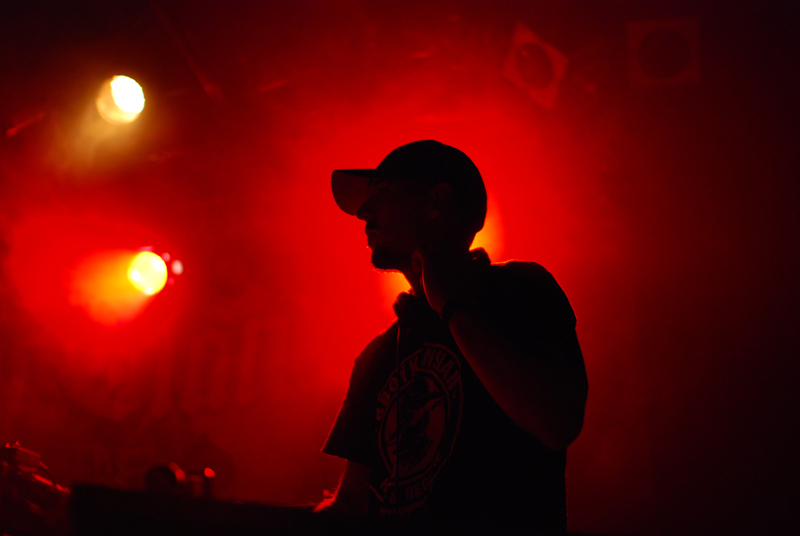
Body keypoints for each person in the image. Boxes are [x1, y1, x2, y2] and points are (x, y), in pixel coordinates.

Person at [317, 140, 588, 535]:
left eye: (383, 194)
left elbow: (556, 423)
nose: (364, 213)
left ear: (435, 202)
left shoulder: (521, 289)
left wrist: (451, 305)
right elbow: (353, 505)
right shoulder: (377, 356)